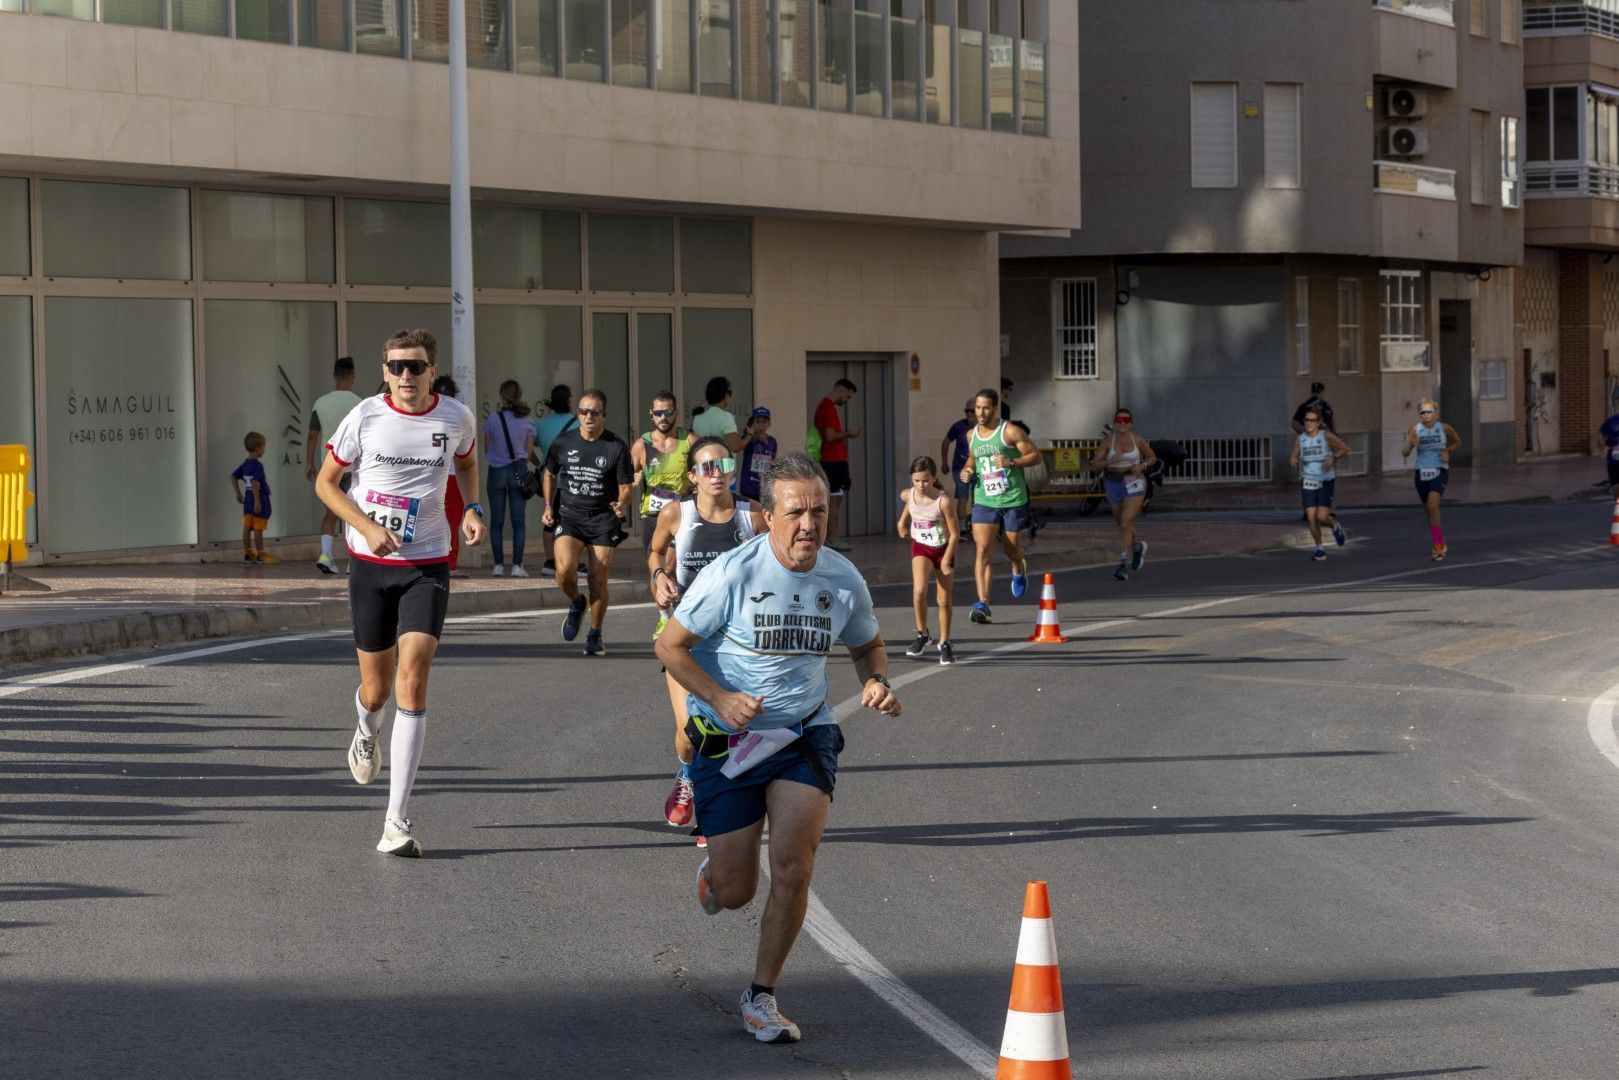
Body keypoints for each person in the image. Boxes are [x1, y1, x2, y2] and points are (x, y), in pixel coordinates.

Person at [655, 451, 900, 1045]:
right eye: (796, 513)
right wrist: (719, 695)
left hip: (803, 735)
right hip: (730, 737)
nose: (809, 525)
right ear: (768, 517)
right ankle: (715, 877)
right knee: (737, 891)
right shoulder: (734, 573)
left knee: (794, 864)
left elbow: (868, 645)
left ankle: (761, 995)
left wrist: (876, 680)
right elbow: (671, 646)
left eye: (819, 511)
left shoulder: (842, 577)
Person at [316, 328, 483, 857]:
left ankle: (396, 821)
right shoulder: (364, 416)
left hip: (427, 562)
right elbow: (325, 483)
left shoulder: (455, 418)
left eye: (415, 366)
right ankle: (366, 727)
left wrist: (473, 508)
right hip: (370, 565)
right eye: (395, 367)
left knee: (413, 678)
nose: (405, 376)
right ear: (383, 371)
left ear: (432, 370)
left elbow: (468, 464)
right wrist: (365, 527)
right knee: (377, 689)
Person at [647, 436, 765, 847]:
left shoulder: (754, 516)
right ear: (694, 476)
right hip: (683, 639)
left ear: (733, 469)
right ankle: (687, 775)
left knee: (730, 730)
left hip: (737, 640)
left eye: (723, 464)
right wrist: (659, 578)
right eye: (707, 467)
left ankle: (715, 816)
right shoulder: (676, 514)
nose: (716, 473)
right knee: (689, 731)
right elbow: (656, 552)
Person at [542, 388, 633, 655]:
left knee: (598, 578)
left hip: (603, 520)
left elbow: (626, 485)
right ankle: (576, 601)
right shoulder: (563, 442)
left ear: (604, 415)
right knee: (564, 570)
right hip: (570, 517)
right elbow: (548, 473)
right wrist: (548, 505)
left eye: (594, 412)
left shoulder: (616, 447)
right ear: (578, 414)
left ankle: (595, 634)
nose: (588, 416)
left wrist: (622, 502)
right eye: (583, 411)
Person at [958, 388, 1037, 623]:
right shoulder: (972, 435)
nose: (980, 413)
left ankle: (1017, 565)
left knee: (1010, 549)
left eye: (984, 408)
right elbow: (973, 457)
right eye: (976, 409)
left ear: (994, 408)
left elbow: (1035, 456)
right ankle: (983, 604)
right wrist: (967, 469)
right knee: (982, 549)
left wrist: (1011, 461)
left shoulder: (1010, 432)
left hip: (1012, 498)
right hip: (984, 498)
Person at [632, 391, 697, 634]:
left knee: (670, 566)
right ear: (651, 415)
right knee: (656, 568)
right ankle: (663, 616)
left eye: (668, 412)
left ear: (676, 413)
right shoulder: (642, 445)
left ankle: (677, 617)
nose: (663, 417)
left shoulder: (688, 441)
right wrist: (632, 481)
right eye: (658, 412)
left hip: (681, 516)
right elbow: (625, 478)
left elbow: (705, 466)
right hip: (651, 515)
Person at [895, 456, 958, 665]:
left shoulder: (943, 500)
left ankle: (945, 643)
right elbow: (910, 505)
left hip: (943, 549)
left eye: (925, 480)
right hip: (921, 547)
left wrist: (948, 559)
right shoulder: (908, 494)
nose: (921, 485)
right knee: (919, 591)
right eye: (917, 480)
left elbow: (955, 534)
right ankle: (922, 634)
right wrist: (902, 523)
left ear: (934, 478)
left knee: (943, 600)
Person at [305, 356, 364, 575]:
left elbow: (312, 436)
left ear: (334, 376)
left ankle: (326, 555)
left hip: (328, 468)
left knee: (330, 513)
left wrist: (310, 463)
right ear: (353, 376)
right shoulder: (359, 403)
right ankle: (354, 562)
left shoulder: (321, 403)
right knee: (355, 514)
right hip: (353, 467)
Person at [1092, 408, 1157, 581]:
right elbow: (1095, 464)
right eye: (1119, 421)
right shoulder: (1108, 441)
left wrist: (1141, 466)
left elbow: (1152, 458)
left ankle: (1123, 564)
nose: (1122, 424)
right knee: (1122, 525)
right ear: (1114, 423)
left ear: (1131, 423)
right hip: (1113, 483)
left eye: (1126, 421)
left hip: (1133, 482)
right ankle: (1137, 547)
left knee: (1125, 521)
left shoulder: (1138, 440)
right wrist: (1110, 461)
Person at [484, 379, 536, 578]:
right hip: (518, 470)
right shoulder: (527, 421)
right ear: (519, 395)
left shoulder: (492, 420)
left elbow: (487, 448)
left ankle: (498, 565)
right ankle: (517, 566)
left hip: (497, 471)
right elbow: (529, 451)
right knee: (518, 522)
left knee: (496, 522)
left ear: (501, 396)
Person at [1400, 399, 1462, 561]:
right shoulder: (1415, 429)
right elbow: (1404, 452)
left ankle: (1438, 546)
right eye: (1422, 412)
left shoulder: (1444, 428)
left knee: (1433, 505)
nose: (1426, 415)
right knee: (1429, 511)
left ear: (1436, 413)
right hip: (1421, 472)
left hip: (1439, 470)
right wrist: (1412, 444)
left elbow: (1457, 442)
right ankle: (1438, 539)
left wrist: (1448, 450)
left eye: (1429, 411)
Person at [1288, 408, 1350, 562]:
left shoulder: (1326, 436)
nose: (1309, 423)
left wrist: (1333, 459)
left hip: (1325, 480)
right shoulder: (1300, 439)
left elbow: (1344, 448)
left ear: (1318, 423)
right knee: (1310, 518)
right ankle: (1320, 550)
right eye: (1306, 420)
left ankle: (1335, 526)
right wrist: (1293, 460)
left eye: (1312, 420)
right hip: (1307, 480)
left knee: (1322, 517)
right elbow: (1294, 454)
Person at [532, 385, 578, 574]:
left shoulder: (541, 425)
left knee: (549, 519)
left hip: (547, 479)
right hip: (571, 479)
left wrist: (538, 463)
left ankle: (550, 561)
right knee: (571, 521)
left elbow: (529, 447)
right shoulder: (578, 424)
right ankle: (569, 561)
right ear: (569, 400)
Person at [813, 378, 860, 553]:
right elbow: (830, 435)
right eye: (847, 397)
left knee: (835, 499)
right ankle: (832, 538)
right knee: (833, 500)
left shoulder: (826, 407)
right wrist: (848, 433)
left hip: (834, 460)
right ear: (840, 390)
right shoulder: (827, 407)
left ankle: (831, 537)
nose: (846, 401)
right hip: (832, 461)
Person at [431, 375, 467, 576]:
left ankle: (435, 561)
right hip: (453, 475)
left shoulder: (426, 413)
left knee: (433, 519)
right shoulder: (458, 416)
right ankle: (450, 563)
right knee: (452, 521)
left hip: (434, 474)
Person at [231, 431, 276, 564]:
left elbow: (233, 476)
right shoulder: (258, 466)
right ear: (258, 448)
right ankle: (261, 554)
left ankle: (248, 553)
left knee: (246, 528)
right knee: (258, 529)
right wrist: (258, 502)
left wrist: (238, 493)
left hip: (247, 501)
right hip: (258, 500)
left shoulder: (245, 465)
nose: (264, 450)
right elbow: (255, 483)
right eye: (263, 447)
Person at [940, 399, 975, 539]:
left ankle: (976, 526)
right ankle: (962, 528)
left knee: (978, 499)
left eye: (972, 410)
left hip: (978, 469)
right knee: (963, 497)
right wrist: (944, 462)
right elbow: (946, 442)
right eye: (967, 411)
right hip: (960, 468)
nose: (969, 414)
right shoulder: (958, 426)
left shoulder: (984, 426)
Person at [692, 376, 744, 453]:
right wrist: (749, 436)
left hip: (701, 462)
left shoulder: (697, 417)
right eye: (730, 393)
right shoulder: (726, 417)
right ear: (726, 395)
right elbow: (735, 447)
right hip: (722, 463)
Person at [738, 407, 777, 501]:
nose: (761, 425)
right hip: (748, 487)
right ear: (753, 423)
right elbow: (741, 444)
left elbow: (773, 462)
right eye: (758, 422)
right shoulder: (748, 439)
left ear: (769, 424)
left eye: (764, 422)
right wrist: (751, 434)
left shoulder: (772, 441)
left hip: (764, 488)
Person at [1600, 406, 1619, 498]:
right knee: (1615, 485)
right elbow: (1600, 437)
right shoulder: (1610, 421)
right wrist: (1603, 450)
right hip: (1614, 459)